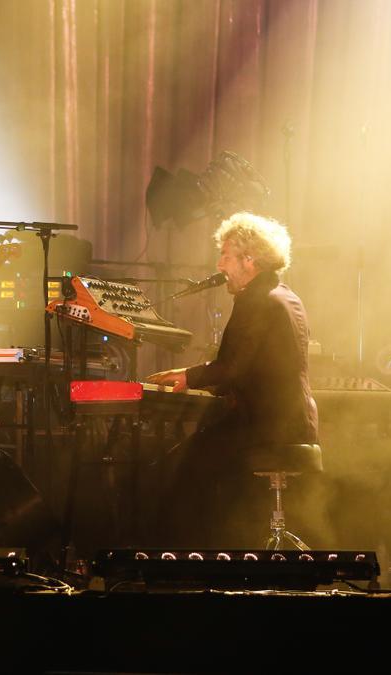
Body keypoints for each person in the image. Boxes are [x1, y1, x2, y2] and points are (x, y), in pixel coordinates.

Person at [145, 212, 318, 546]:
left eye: (225, 256)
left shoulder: (255, 300)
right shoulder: (286, 296)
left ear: (248, 260)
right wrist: (197, 376)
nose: (220, 265)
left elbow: (233, 368)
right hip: (294, 422)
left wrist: (186, 377)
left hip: (264, 426)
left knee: (177, 470)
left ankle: (187, 559)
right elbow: (251, 365)